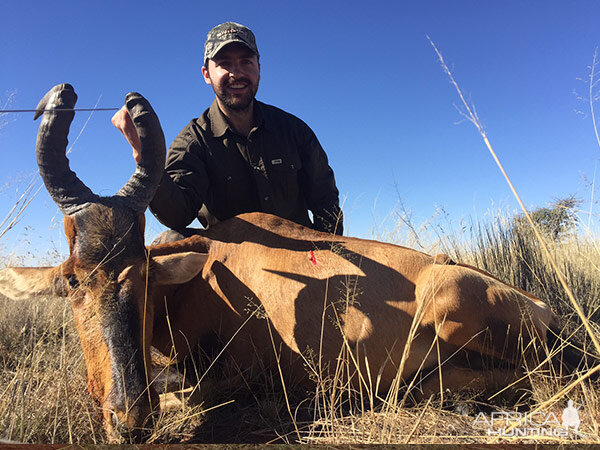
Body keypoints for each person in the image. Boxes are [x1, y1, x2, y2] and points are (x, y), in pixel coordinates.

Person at [112, 22, 343, 236]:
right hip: (232, 266)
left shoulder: (294, 130)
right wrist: (146, 156)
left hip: (301, 256)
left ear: (259, 69)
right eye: (224, 64)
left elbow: (326, 202)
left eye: (246, 62)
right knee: (170, 241)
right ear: (206, 75)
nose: (237, 73)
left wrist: (328, 258)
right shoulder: (192, 141)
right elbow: (178, 215)